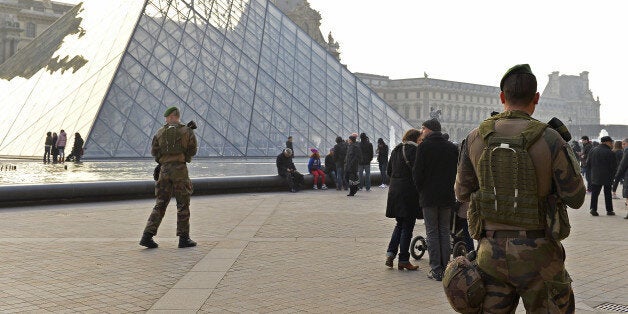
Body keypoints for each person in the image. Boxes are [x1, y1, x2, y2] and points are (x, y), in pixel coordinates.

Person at [455, 64, 585, 312]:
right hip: (540, 254)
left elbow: (461, 193)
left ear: (502, 97)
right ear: (536, 98)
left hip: (489, 253)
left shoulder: (474, 137)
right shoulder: (551, 138)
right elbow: (576, 196)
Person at [140, 106, 198, 249]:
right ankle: (183, 239)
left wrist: (164, 160)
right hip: (180, 170)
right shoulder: (187, 131)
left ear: (171, 117)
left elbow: (155, 152)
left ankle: (147, 236)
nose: (166, 119)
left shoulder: (159, 133)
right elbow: (193, 150)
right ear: (177, 117)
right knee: (183, 204)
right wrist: (184, 157)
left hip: (164, 171)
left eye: (167, 117)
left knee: (160, 203)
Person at [412, 118, 458, 281]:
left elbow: (417, 174)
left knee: (432, 232)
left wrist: (422, 190)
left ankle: (436, 269)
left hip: (429, 196)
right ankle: (446, 268)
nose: (421, 131)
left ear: (430, 130)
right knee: (445, 231)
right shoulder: (452, 147)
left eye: (423, 128)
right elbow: (456, 172)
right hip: (446, 196)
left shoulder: (424, 147)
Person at [385, 128, 421, 271]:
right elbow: (419, 172)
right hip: (409, 192)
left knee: (399, 224)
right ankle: (404, 260)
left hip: (395, 191)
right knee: (407, 226)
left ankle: (390, 253)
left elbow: (388, 171)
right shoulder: (415, 151)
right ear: (416, 139)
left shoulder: (396, 150)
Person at [587, 136, 617, 216]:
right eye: (611, 142)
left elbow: (588, 163)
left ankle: (593, 209)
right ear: (606, 142)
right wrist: (613, 176)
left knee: (595, 193)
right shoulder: (610, 152)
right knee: (607, 193)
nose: (612, 144)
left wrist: (592, 172)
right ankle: (609, 210)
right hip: (607, 176)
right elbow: (614, 166)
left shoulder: (593, 150)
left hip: (595, 175)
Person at [613, 138, 628, 219]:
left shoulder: (627, 151)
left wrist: (617, 176)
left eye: (624, 144)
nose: (622, 146)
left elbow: (622, 165)